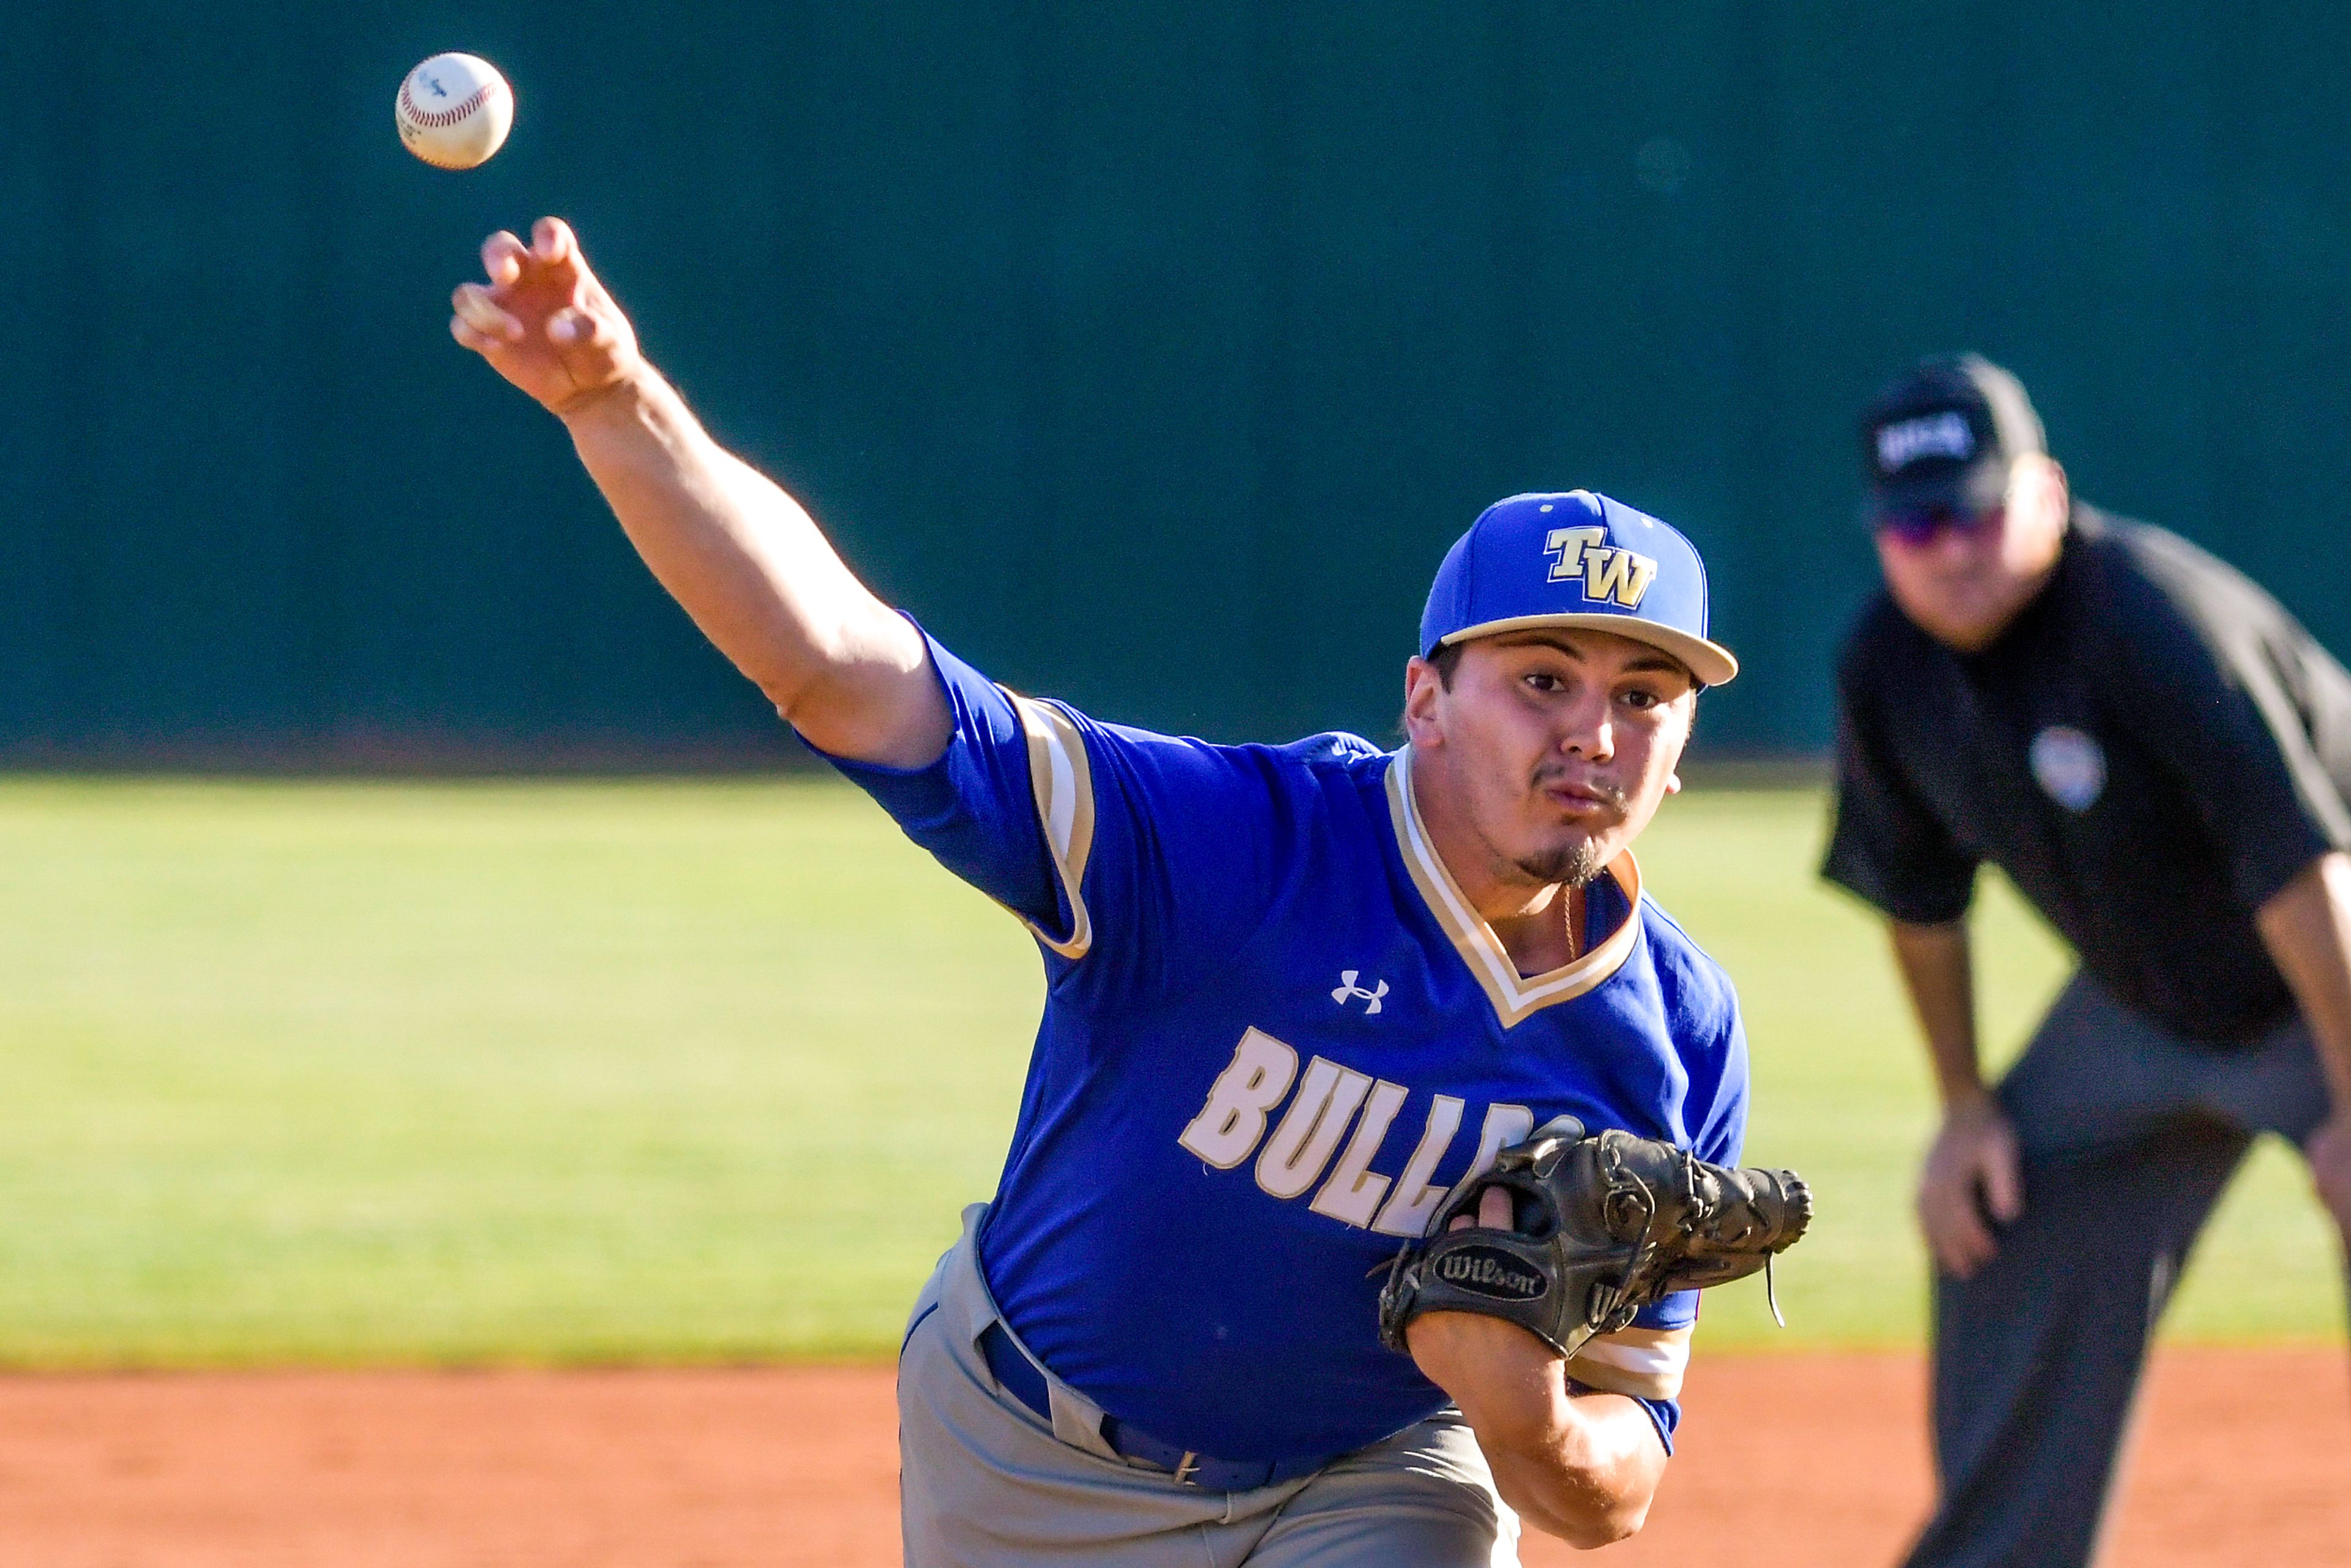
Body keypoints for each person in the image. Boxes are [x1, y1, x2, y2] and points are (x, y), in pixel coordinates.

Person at [450, 218, 1754, 1563]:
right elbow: (841, 668)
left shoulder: (1677, 1033)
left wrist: (1527, 1423)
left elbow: (1615, 1486)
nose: (1594, 733)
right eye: (1543, 679)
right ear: (1424, 699)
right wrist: (615, 401)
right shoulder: (1222, 847)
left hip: (1380, 1470)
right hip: (1032, 1459)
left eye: (1643, 697)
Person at [1822, 353, 2351, 1567]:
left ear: (2048, 495)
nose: (1947, 546)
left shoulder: (2149, 612)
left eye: (1976, 510)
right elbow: (1920, 900)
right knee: (2006, 1205)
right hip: (2150, 1000)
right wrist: (1963, 1111)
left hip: (2335, 952)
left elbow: (2304, 869)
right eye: (1913, 522)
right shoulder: (1887, 669)